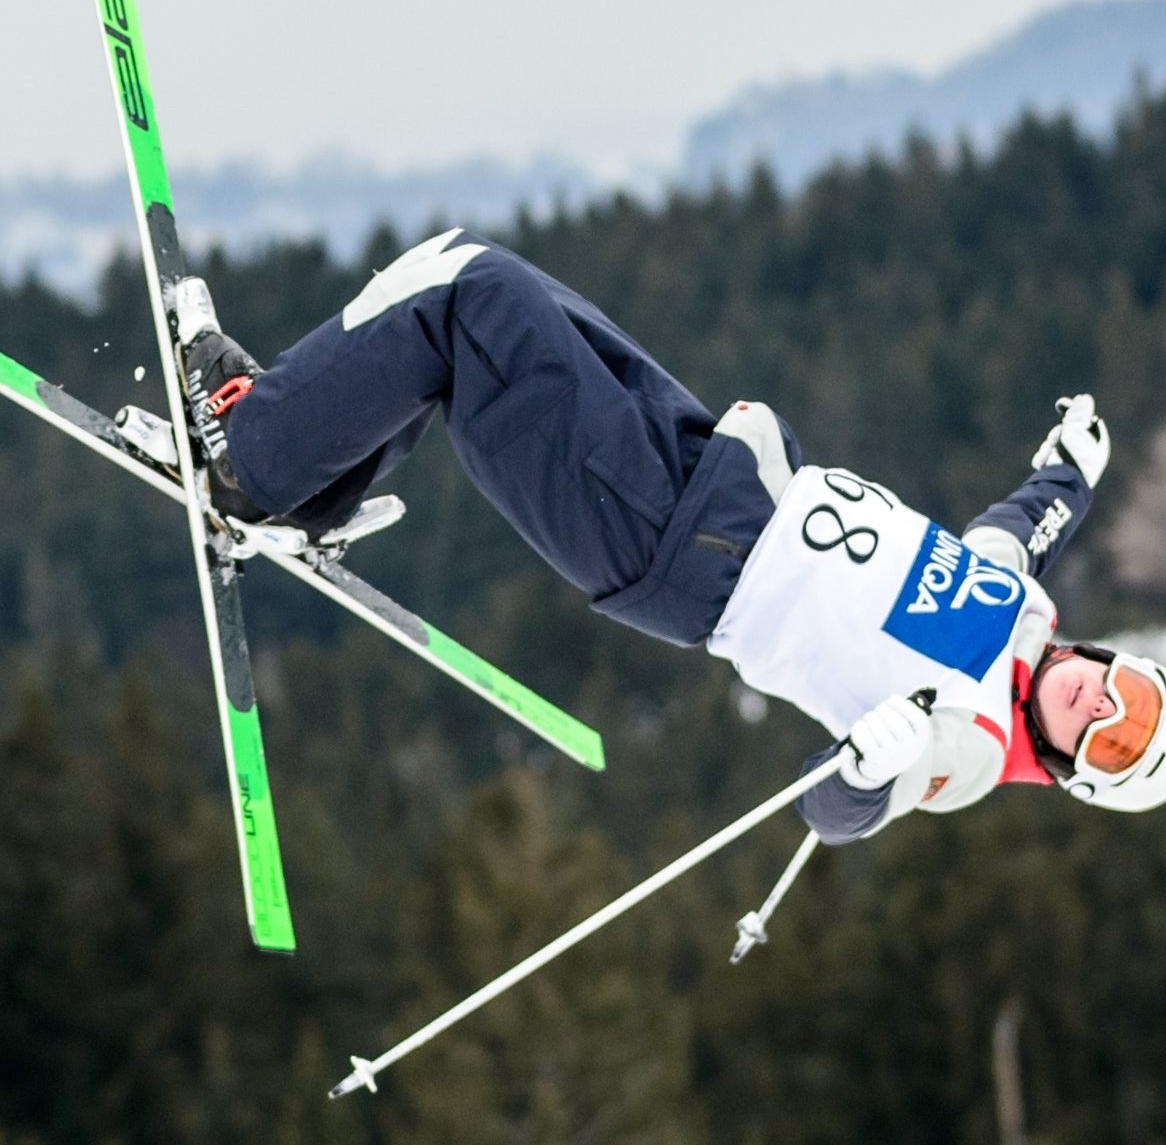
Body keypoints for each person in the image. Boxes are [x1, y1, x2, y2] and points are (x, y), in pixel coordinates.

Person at [172, 227, 1166, 844]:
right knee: (486, 314)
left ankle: (252, 455)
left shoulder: (973, 745)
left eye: (1112, 738)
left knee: (463, 289)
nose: (1103, 698)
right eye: (1132, 690)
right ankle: (308, 478)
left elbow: (835, 811)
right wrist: (1064, 477)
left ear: (1076, 771)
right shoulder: (1022, 619)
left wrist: (867, 768)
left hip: (676, 549)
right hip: (714, 469)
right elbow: (1006, 539)